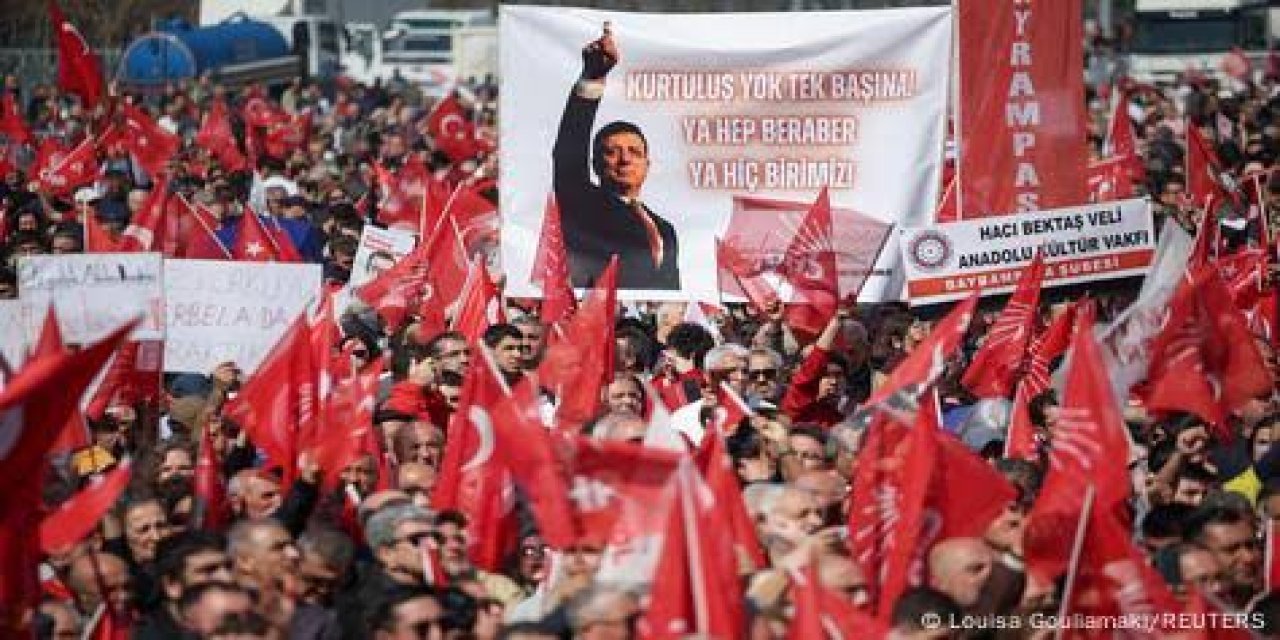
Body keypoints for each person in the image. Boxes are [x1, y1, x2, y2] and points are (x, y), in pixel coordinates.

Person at [553, 23, 680, 290]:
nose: (624, 160)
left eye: (634, 152)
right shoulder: (582, 205)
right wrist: (592, 77)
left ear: (648, 164)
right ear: (595, 164)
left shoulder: (665, 230)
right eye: (612, 152)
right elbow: (568, 152)